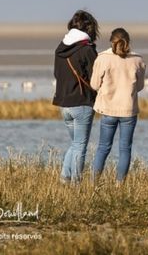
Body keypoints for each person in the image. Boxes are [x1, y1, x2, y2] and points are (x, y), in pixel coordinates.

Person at [90, 28, 146, 183]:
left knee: (103, 148)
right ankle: (119, 185)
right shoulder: (138, 60)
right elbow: (139, 87)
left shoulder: (102, 58)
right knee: (125, 149)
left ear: (111, 41)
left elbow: (94, 85)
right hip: (129, 110)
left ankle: (93, 184)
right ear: (128, 41)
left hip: (108, 110)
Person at [53, 10, 99, 183]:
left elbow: (57, 74)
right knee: (80, 145)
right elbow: (96, 77)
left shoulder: (60, 49)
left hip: (64, 104)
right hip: (82, 103)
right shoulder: (86, 50)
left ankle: (65, 177)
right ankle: (76, 184)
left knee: (75, 144)